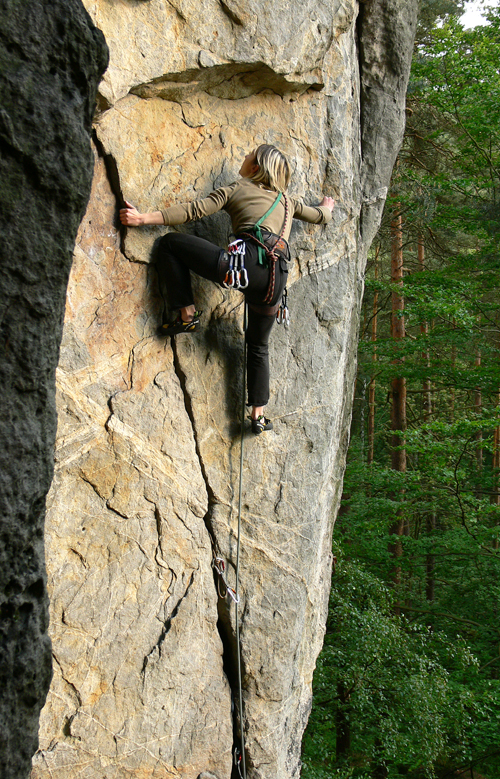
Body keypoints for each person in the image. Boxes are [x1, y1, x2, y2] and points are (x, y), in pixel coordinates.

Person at [119, 144, 334, 434]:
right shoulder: (288, 202)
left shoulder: (238, 188)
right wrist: (327, 207)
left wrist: (144, 218)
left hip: (243, 266)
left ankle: (186, 314)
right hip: (276, 280)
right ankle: (258, 415)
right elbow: (320, 216)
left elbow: (194, 210)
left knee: (170, 244)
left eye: (249, 155)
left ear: (256, 168)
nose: (244, 156)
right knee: (258, 345)